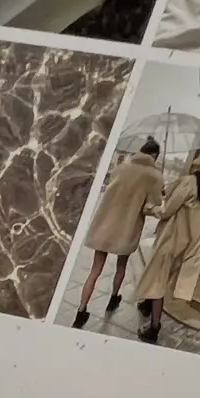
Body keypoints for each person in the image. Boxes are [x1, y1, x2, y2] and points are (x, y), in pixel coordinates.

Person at [131, 151, 200, 345]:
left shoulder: (190, 182)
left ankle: (154, 327)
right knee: (163, 279)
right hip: (187, 245)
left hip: (170, 241)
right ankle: (147, 305)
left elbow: (167, 211)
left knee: (157, 282)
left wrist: (150, 208)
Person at [73, 138, 164, 327]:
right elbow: (150, 207)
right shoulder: (154, 176)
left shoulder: (122, 167)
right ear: (155, 155)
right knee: (120, 267)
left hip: (105, 225)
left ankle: (81, 311)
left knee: (95, 270)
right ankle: (113, 299)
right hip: (127, 228)